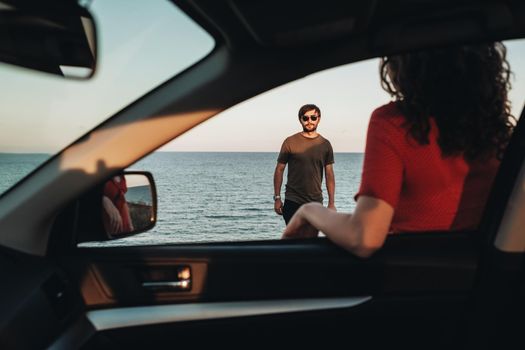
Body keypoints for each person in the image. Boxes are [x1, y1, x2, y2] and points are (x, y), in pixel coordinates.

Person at [282, 42, 515, 258]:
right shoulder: (498, 133)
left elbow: (365, 236)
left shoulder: (395, 123)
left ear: (403, 63)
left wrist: (309, 211)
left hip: (414, 282)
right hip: (485, 285)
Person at [274, 104, 336, 224]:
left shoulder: (325, 144)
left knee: (311, 239)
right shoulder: (290, 142)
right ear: (300, 120)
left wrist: (331, 203)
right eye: (305, 118)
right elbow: (279, 169)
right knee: (293, 240)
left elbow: (329, 174)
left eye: (313, 117)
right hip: (293, 201)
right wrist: (277, 198)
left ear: (319, 119)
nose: (309, 121)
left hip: (316, 202)